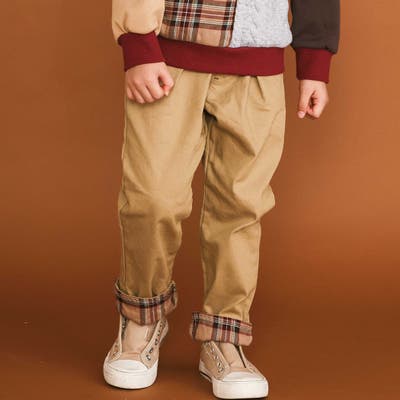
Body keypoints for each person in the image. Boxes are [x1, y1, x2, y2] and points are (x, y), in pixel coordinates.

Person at [103, 1, 340, 398]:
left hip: (258, 63)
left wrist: (314, 60)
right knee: (152, 197)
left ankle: (224, 336)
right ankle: (141, 319)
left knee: (240, 208)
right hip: (168, 52)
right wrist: (139, 43)